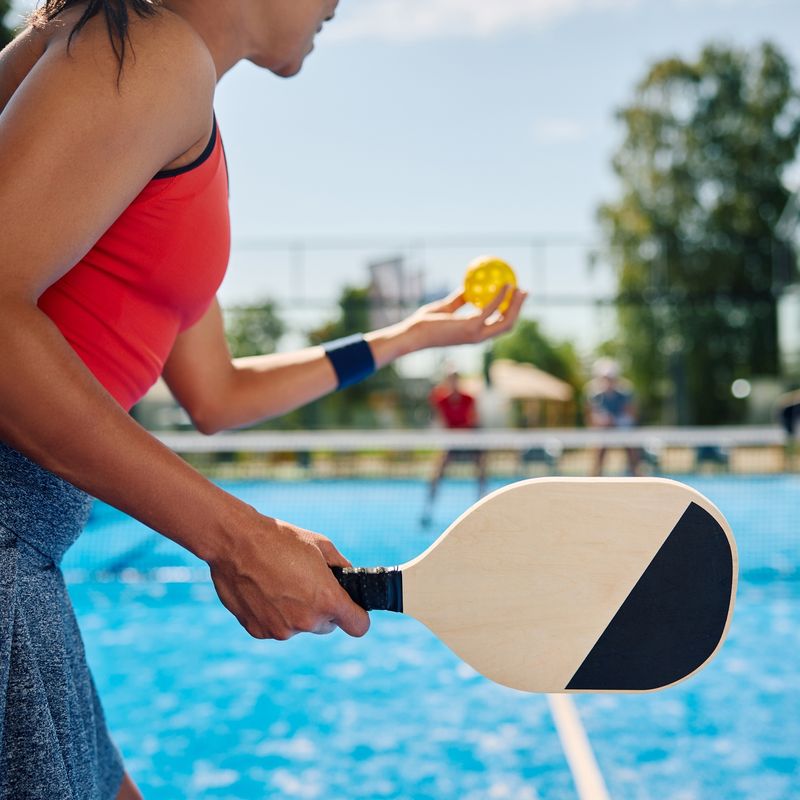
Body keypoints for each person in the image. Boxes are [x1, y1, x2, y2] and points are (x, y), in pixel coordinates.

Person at [0, 3, 527, 798]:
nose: (337, 5)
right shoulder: (150, 50)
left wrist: (403, 339)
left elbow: (216, 393)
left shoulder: (164, 97)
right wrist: (236, 537)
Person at [421, 370, 487, 526]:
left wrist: (466, 435)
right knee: (436, 473)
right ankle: (427, 509)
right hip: (451, 442)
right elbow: (441, 420)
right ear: (446, 382)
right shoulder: (441, 400)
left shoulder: (469, 399)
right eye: (450, 380)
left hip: (470, 440)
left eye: (455, 380)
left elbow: (474, 419)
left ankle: (483, 504)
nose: (453, 383)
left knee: (482, 469)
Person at [584, 358, 641, 476]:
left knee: (632, 451)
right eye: (605, 378)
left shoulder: (626, 393)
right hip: (603, 432)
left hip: (623, 430)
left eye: (610, 378)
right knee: (599, 451)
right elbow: (591, 418)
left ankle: (637, 476)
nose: (608, 381)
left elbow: (631, 415)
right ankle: (594, 480)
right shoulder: (594, 395)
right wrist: (601, 422)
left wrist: (615, 422)